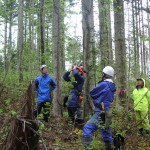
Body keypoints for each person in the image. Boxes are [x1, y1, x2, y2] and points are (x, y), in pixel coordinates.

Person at [82, 66, 116, 150]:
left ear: (104, 74)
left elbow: (92, 93)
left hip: (100, 112)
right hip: (107, 112)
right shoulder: (112, 85)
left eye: (102, 73)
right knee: (106, 132)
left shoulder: (104, 84)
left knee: (87, 128)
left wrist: (96, 101)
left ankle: (88, 148)